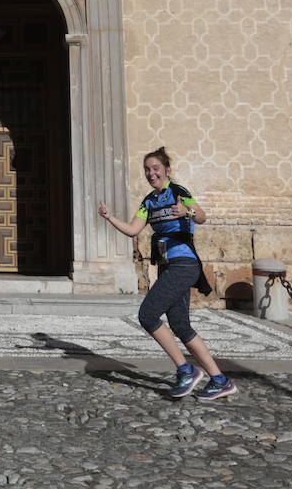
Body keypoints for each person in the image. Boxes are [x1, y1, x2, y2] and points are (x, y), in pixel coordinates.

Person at [97, 146, 237, 401]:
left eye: (156, 169)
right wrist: (109, 218)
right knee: (180, 325)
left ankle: (186, 370)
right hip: (167, 266)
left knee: (147, 315)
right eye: (147, 170)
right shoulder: (148, 202)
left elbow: (202, 217)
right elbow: (132, 230)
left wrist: (188, 212)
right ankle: (220, 380)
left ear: (167, 171)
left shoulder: (178, 192)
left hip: (184, 264)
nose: (151, 173)